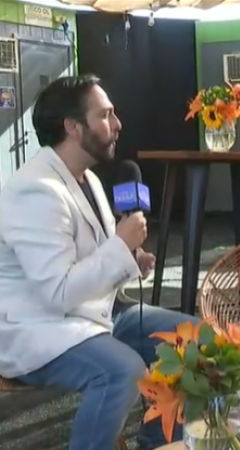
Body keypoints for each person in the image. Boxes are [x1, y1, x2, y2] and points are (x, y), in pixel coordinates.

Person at [0, 75, 197, 450]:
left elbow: (93, 256)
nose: (118, 124)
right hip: (42, 327)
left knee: (194, 341)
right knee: (122, 371)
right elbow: (58, 292)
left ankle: (158, 444)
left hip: (98, 313)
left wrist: (131, 256)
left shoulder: (86, 177)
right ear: (73, 127)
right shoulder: (36, 190)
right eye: (105, 115)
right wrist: (120, 245)